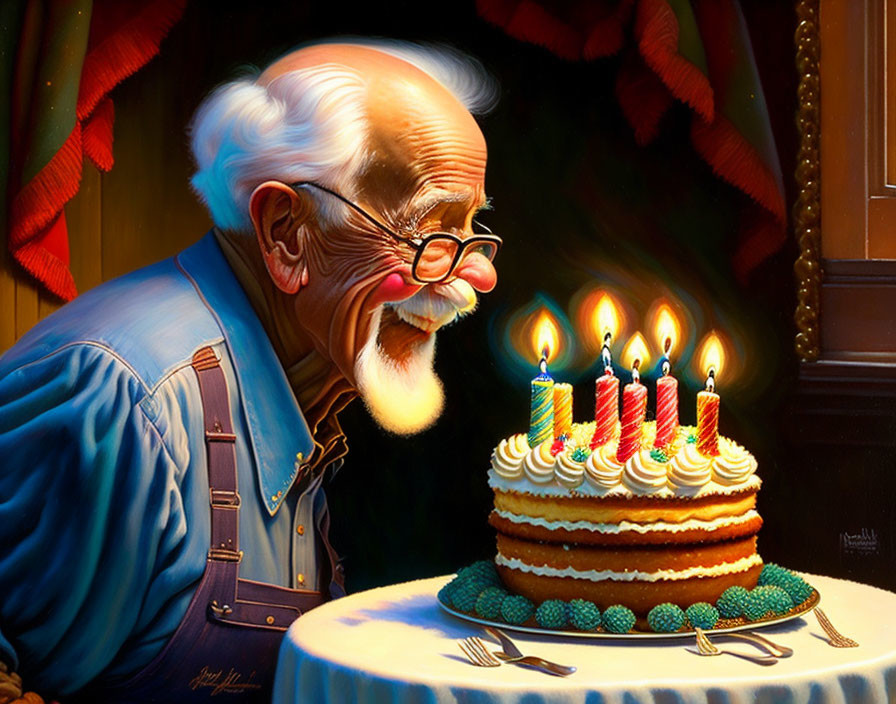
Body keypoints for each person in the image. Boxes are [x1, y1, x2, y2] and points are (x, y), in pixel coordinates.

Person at [0, 39, 499, 702]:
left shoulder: (300, 377)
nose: (477, 277)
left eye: (473, 232)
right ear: (288, 233)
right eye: (432, 233)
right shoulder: (129, 402)